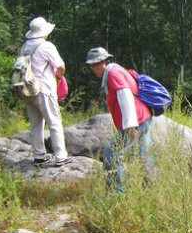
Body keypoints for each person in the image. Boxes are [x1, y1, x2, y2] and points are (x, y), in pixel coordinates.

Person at [85, 47, 154, 193]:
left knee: (111, 152)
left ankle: (116, 194)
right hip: (144, 116)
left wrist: (130, 124)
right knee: (145, 154)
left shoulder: (112, 73)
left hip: (137, 120)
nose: (92, 68)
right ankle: (150, 190)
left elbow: (125, 94)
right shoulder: (116, 70)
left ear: (103, 62)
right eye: (91, 65)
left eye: (94, 64)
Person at [20, 17, 72, 167]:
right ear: (44, 32)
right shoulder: (46, 46)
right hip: (44, 90)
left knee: (36, 124)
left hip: (27, 91)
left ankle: (39, 156)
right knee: (54, 122)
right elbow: (60, 66)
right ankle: (61, 156)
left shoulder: (24, 47)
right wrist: (58, 78)